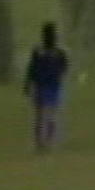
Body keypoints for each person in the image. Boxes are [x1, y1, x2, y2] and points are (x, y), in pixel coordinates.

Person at [23, 22, 69, 154]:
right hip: (46, 85)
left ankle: (44, 142)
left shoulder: (51, 52)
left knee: (44, 115)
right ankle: (44, 142)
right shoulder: (52, 52)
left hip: (47, 85)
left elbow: (31, 69)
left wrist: (27, 83)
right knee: (45, 115)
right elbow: (32, 68)